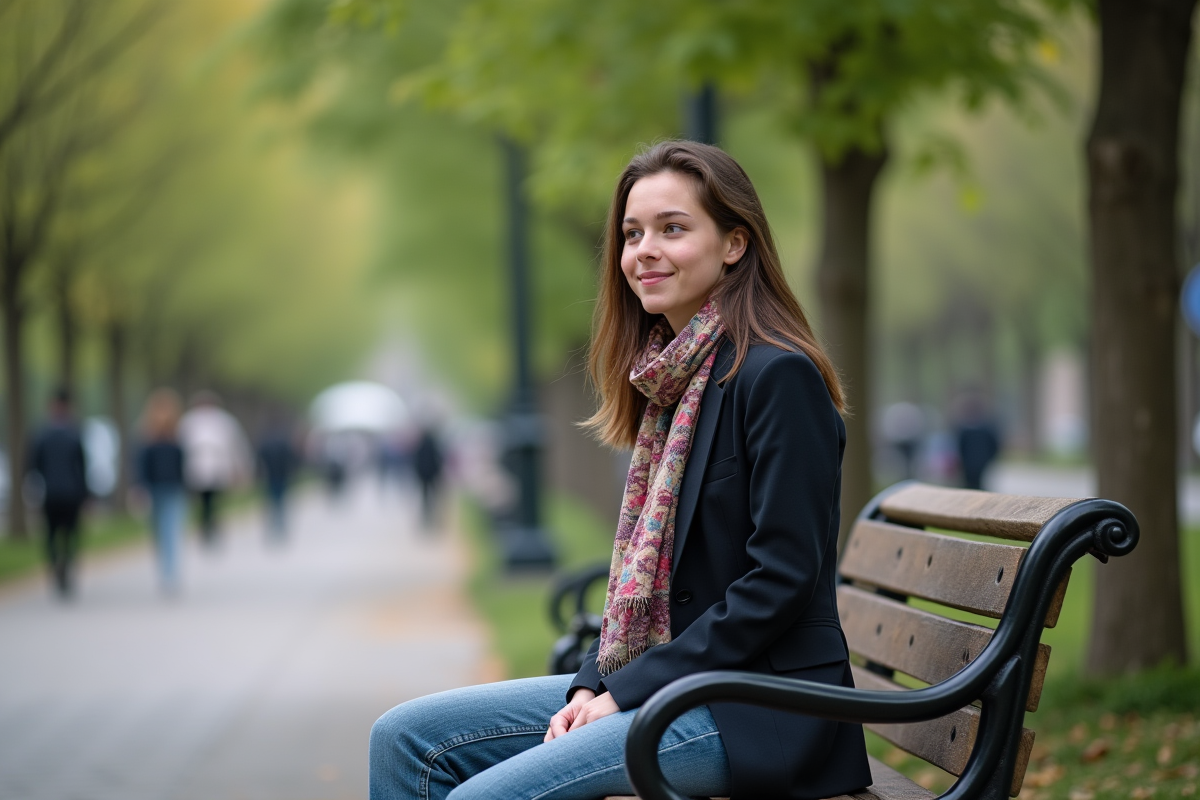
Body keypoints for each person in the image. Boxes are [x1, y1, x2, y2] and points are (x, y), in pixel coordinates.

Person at [369, 142, 871, 800]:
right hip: (686, 685)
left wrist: (627, 691)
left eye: (673, 228)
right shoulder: (672, 384)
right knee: (404, 738)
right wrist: (590, 681)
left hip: (760, 706)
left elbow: (779, 582)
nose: (643, 251)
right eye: (632, 234)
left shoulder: (777, 377)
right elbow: (641, 576)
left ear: (734, 245)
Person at [28, 388, 89, 599]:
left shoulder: (41, 434)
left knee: (52, 534)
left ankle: (56, 566)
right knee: (70, 533)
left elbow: (33, 465)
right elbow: (82, 466)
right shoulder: (75, 433)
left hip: (51, 493)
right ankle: (66, 566)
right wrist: (85, 494)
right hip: (71, 493)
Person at [178, 391, 251, 547]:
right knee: (205, 501)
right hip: (197, 468)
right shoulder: (190, 421)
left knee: (213, 501)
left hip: (218, 467)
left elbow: (236, 445)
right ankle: (208, 527)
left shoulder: (224, 421)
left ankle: (210, 526)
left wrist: (240, 467)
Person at [137, 389, 187, 594]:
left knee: (166, 532)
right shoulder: (167, 439)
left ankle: (168, 573)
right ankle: (168, 573)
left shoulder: (153, 439)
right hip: (164, 489)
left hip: (167, 489)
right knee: (165, 532)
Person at [257, 420, 297, 541]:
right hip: (282, 475)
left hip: (270, 476)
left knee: (272, 501)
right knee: (281, 502)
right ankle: (280, 525)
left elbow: (260, 457)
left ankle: (273, 525)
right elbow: (291, 458)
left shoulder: (265, 441)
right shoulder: (284, 441)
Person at [412, 425, 444, 530]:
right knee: (434, 496)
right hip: (432, 474)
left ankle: (426, 516)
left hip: (424, 475)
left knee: (425, 497)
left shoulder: (420, 445)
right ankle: (433, 516)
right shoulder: (433, 444)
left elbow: (416, 461)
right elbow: (438, 460)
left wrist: (418, 473)